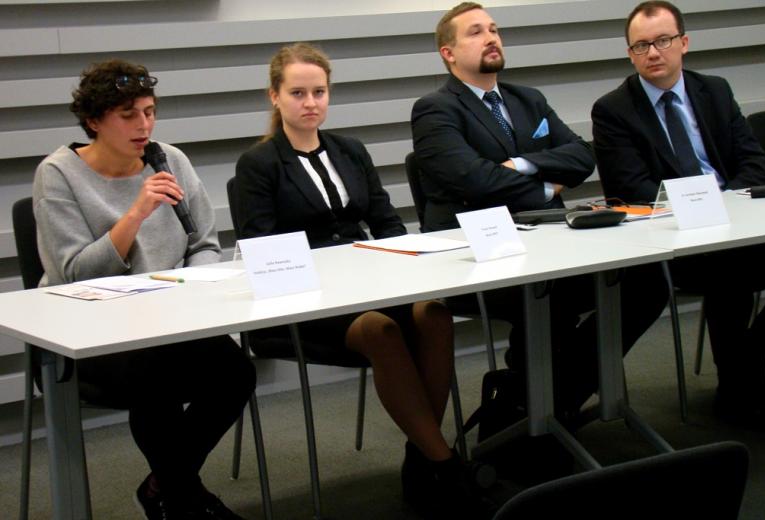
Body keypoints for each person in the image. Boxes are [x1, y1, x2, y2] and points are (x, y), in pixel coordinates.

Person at [234, 43, 490, 518]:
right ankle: (447, 465)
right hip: (303, 299)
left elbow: (386, 221)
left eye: (319, 92)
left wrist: (406, 263)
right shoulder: (259, 164)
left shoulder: (350, 151)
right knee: (381, 330)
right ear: (275, 96)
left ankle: (422, 456)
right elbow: (261, 247)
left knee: (434, 314)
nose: (310, 102)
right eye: (297, 93)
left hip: (368, 284)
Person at [411, 2, 668, 422]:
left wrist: (523, 164)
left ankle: (548, 402)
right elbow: (474, 180)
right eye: (475, 32)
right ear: (448, 53)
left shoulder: (528, 100)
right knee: (553, 298)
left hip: (549, 241)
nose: (491, 38)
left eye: (494, 29)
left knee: (647, 280)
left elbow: (582, 156)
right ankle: (538, 412)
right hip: (479, 256)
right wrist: (546, 186)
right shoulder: (435, 109)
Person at [33, 59, 256, 520]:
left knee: (235, 371)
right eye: (128, 115)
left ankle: (165, 487)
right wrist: (135, 214)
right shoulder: (59, 174)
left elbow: (204, 243)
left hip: (171, 319)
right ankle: (186, 499)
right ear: (94, 121)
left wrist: (192, 288)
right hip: (89, 331)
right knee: (157, 378)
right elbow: (73, 274)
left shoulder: (169, 159)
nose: (144, 125)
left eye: (150, 112)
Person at [592, 1, 765, 429]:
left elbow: (755, 163)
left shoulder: (713, 90)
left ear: (684, 43)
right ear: (630, 54)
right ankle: (739, 383)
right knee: (730, 272)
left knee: (743, 260)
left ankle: (749, 354)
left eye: (662, 40)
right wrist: (700, 208)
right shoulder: (614, 110)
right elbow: (630, 190)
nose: (653, 52)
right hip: (675, 239)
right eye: (641, 46)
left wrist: (726, 205)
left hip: (736, 222)